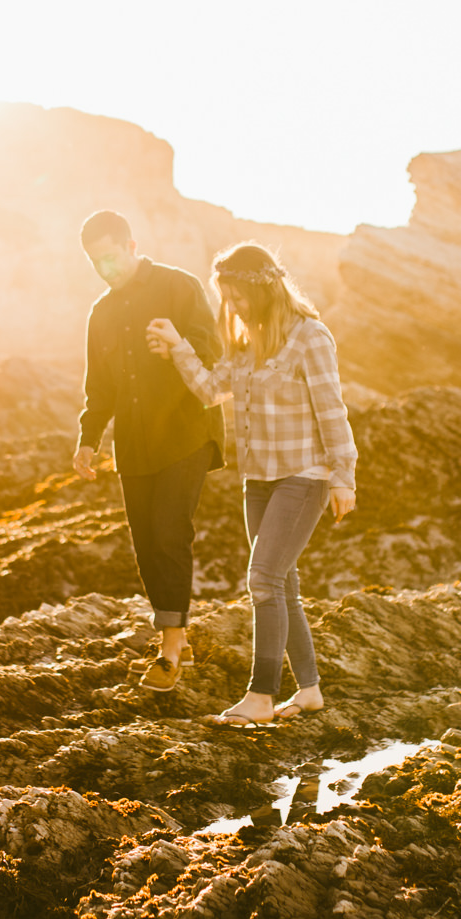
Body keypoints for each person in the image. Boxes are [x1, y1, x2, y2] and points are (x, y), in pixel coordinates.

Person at [145, 242, 358, 727]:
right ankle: (309, 691)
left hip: (304, 477)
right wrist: (180, 347)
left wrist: (343, 476)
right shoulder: (244, 346)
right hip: (257, 481)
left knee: (262, 579)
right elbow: (207, 390)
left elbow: (332, 409)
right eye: (228, 298)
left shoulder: (311, 337)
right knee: (283, 584)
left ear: (263, 289)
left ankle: (261, 696)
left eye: (239, 295)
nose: (233, 306)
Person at [74, 210, 226, 692]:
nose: (107, 268)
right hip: (135, 443)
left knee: (168, 530)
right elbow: (99, 386)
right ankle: (174, 629)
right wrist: (88, 438)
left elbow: (212, 348)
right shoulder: (100, 314)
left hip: (185, 431)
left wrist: (177, 347)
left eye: (112, 256)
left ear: (131, 244)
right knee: (144, 542)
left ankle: (171, 651)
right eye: (97, 262)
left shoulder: (179, 287)